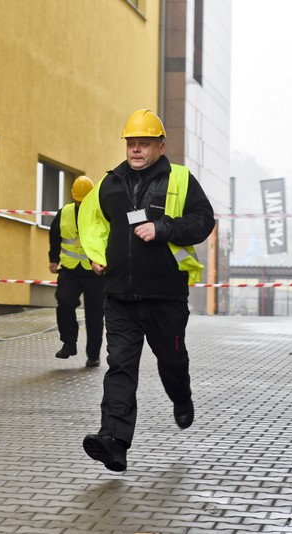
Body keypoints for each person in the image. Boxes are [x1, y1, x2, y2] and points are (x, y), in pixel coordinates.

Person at [77, 109, 215, 471]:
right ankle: (114, 441)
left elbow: (203, 221)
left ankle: (181, 398)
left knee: (171, 362)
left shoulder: (181, 180)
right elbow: (92, 225)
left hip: (164, 296)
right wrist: (95, 256)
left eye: (144, 144)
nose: (136, 150)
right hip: (119, 296)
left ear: (160, 145)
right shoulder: (110, 184)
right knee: (120, 367)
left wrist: (163, 229)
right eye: (131, 143)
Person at [48, 175, 104, 368]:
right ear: (73, 197)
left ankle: (93, 355)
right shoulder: (64, 213)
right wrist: (53, 259)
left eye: (84, 200)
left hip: (94, 272)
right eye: (78, 200)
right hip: (70, 269)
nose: (81, 203)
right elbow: (55, 236)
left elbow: (107, 238)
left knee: (95, 315)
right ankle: (69, 343)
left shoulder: (99, 214)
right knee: (64, 302)